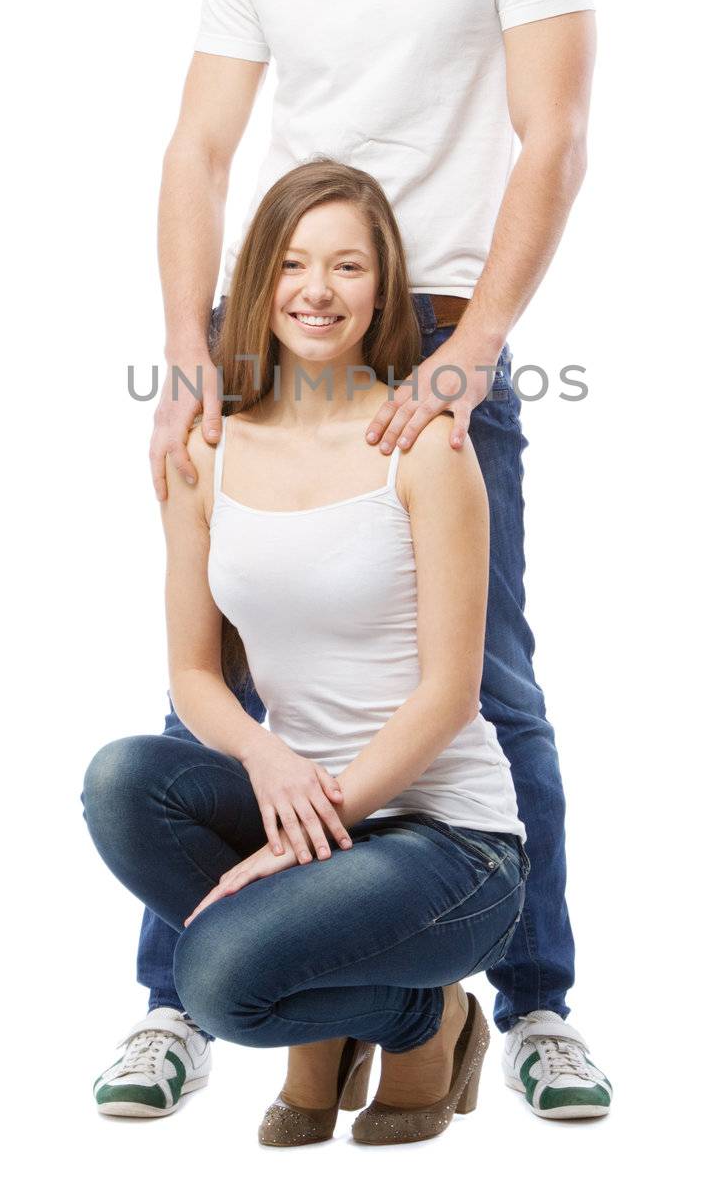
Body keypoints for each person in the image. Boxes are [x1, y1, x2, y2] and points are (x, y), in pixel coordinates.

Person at [92, 0, 611, 1123]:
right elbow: (197, 150)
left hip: (435, 319)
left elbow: (553, 134)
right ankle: (175, 995)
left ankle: (530, 1002)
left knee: (484, 677)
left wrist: (477, 349)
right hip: (286, 313)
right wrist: (188, 349)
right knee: (231, 667)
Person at [84, 164, 531, 1146]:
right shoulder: (204, 451)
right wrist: (267, 759)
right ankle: (380, 1009)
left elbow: (454, 695)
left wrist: (300, 834)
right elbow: (197, 676)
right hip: (318, 814)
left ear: (381, 289)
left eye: (347, 265)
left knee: (218, 978)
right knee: (123, 780)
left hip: (448, 842)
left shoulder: (426, 446)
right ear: (255, 282)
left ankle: (434, 1017)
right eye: (290, 262)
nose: (316, 288)